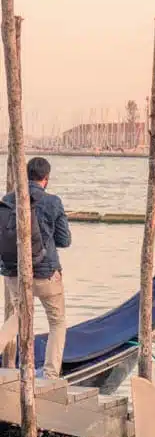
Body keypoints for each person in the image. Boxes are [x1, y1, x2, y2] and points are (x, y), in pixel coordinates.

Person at [0, 157, 71, 378]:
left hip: (14, 272)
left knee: (20, 315)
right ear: (46, 179)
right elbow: (64, 240)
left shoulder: (8, 200)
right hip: (46, 274)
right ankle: (50, 375)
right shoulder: (53, 202)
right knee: (57, 322)